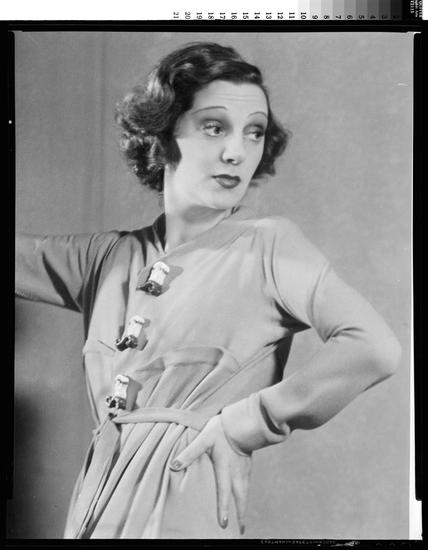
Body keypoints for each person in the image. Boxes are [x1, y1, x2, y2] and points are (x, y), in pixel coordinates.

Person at [15, 41, 401, 539]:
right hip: (96, 503)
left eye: (254, 132)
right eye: (214, 127)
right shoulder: (107, 258)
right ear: (162, 133)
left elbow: (375, 346)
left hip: (184, 499)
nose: (237, 152)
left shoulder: (270, 245)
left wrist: (250, 421)